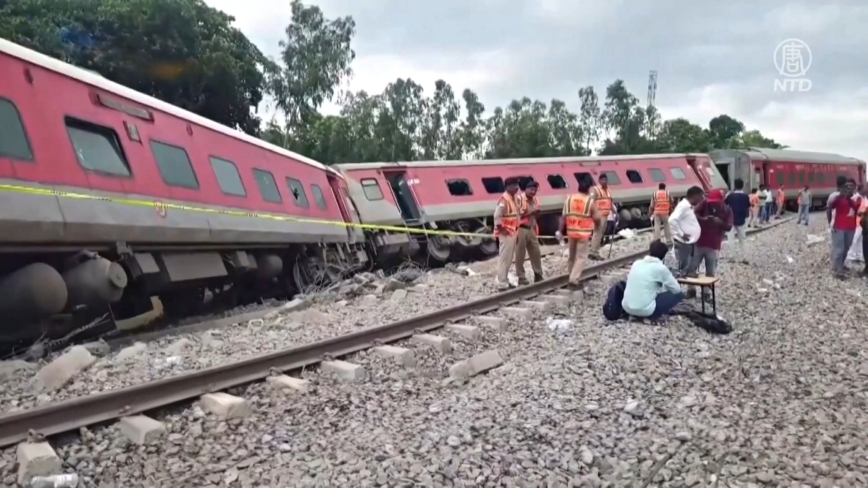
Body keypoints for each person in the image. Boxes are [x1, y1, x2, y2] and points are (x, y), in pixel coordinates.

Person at [621, 240, 684, 320]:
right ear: (663, 255)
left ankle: (634, 314)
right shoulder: (660, 268)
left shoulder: (637, 263)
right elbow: (676, 289)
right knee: (679, 295)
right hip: (646, 311)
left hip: (627, 308)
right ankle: (649, 316)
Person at [687, 189, 733, 298]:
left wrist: (719, 222)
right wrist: (704, 219)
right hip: (699, 242)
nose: (713, 203)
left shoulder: (727, 210)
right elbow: (694, 214)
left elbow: (729, 227)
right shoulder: (705, 204)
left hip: (714, 244)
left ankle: (706, 293)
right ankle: (691, 289)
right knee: (692, 268)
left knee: (710, 270)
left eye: (715, 201)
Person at [557, 178, 601, 290]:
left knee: (572, 257)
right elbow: (597, 218)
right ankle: (573, 280)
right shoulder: (589, 201)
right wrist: (597, 226)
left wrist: (560, 231)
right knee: (581, 257)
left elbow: (563, 217)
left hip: (571, 232)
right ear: (588, 189)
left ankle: (571, 276)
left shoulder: (569, 199)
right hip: (583, 233)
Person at [826, 176, 860, 279]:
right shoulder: (836, 197)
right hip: (839, 227)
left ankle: (840, 266)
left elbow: (856, 208)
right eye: (847, 186)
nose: (848, 188)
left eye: (850, 186)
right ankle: (837, 271)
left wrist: (848, 198)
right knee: (839, 249)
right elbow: (830, 207)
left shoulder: (851, 198)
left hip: (850, 227)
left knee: (846, 248)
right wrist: (841, 196)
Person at [668, 186, 705, 276]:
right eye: (700, 197)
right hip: (683, 242)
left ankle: (687, 274)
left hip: (687, 243)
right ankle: (684, 276)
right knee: (682, 267)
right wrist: (681, 234)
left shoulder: (688, 206)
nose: (701, 200)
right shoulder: (683, 206)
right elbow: (672, 220)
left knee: (687, 263)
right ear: (694, 196)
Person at [493, 177, 521, 290]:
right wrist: (501, 229)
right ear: (508, 187)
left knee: (509, 259)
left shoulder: (514, 198)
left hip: (512, 232)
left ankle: (504, 280)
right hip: (506, 233)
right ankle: (502, 283)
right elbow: (497, 216)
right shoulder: (504, 199)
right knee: (504, 259)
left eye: (517, 185)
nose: (517, 187)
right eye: (514, 185)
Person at [514, 180, 543, 285]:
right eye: (531, 189)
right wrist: (530, 213)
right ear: (525, 189)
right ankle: (521, 277)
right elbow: (515, 216)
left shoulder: (535, 200)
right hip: (521, 228)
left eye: (535, 190)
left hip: (532, 228)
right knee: (520, 254)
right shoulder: (519, 199)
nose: (533, 191)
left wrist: (536, 214)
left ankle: (538, 274)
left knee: (536, 252)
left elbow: (536, 215)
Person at [589, 174, 614, 260]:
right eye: (603, 180)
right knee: (597, 233)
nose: (604, 181)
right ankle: (594, 252)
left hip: (605, 215)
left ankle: (594, 250)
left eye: (606, 180)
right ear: (599, 181)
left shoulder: (608, 191)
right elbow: (591, 203)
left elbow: (610, 202)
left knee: (600, 233)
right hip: (599, 215)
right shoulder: (596, 190)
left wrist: (614, 212)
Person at [724, 179, 750, 246]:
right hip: (741, 218)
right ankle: (744, 252)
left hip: (731, 219)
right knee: (742, 237)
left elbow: (724, 205)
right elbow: (748, 207)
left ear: (735, 185)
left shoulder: (730, 196)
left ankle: (732, 254)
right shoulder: (746, 196)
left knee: (731, 238)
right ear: (742, 186)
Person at [846, 184, 868, 264]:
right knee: (854, 238)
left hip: (863, 222)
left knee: (860, 239)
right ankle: (851, 254)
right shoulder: (856, 198)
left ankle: (858, 254)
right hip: (857, 221)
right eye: (865, 188)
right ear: (861, 189)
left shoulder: (863, 198)